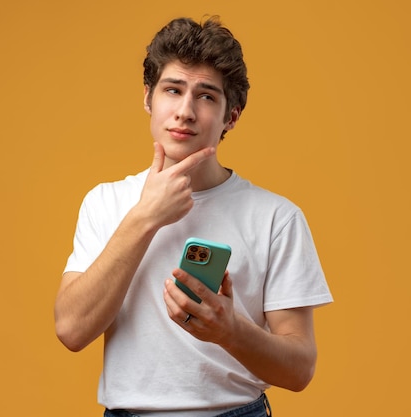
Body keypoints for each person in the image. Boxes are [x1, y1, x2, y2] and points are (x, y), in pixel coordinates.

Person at [54, 16, 333, 417]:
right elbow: (71, 330)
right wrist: (145, 217)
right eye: (173, 90)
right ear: (149, 99)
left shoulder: (277, 218)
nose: (184, 111)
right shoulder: (106, 202)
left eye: (205, 96)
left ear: (230, 117)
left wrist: (231, 332)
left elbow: (300, 368)